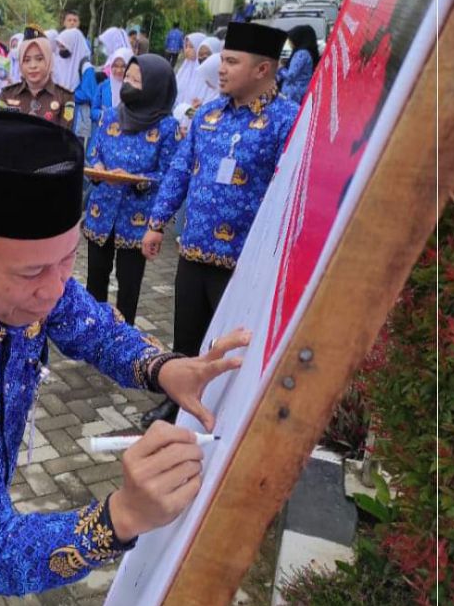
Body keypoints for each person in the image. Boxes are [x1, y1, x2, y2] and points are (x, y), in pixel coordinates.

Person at [0, 110, 250, 605]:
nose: (55, 288)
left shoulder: (31, 280)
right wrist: (122, 516)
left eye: (69, 258)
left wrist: (164, 368)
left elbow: (93, 329)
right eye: (32, 272)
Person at [140, 22, 298, 424]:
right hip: (194, 250)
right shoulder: (209, 115)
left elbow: (292, 192)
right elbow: (180, 171)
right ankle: (177, 401)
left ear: (262, 69)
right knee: (186, 335)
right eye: (222, 60)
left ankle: (225, 412)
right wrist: (157, 222)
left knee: (234, 343)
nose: (220, 69)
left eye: (231, 62)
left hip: (245, 263)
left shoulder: (287, 121)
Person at [84, 55, 182, 325]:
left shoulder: (167, 127)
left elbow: (170, 175)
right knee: (95, 280)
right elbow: (94, 152)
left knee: (128, 285)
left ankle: (123, 338)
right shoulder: (110, 116)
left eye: (137, 80)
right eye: (127, 77)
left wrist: (136, 179)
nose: (128, 84)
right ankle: (92, 333)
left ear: (155, 87)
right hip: (102, 211)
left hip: (137, 218)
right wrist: (98, 166)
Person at [0, 26, 75, 130]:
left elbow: (65, 136)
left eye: (39, 59)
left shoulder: (65, 97)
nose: (33, 66)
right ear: (20, 63)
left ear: (49, 61)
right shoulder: (7, 94)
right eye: (26, 60)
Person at [53, 28, 97, 143]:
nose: (60, 49)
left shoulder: (86, 67)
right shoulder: (59, 62)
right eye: (59, 46)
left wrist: (67, 95)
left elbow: (89, 94)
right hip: (60, 112)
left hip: (77, 115)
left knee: (74, 146)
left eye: (63, 46)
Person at [278, 25, 319, 104]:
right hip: (297, 92)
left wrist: (280, 68)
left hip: (294, 94)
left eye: (291, 40)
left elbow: (291, 75)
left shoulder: (301, 54)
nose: (289, 43)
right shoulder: (304, 52)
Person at [90, 47, 132, 123]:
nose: (119, 70)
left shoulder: (134, 88)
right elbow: (93, 111)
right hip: (107, 128)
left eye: (123, 66)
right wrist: (104, 114)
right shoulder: (103, 86)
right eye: (115, 66)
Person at [174, 32, 207, 108]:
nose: (187, 50)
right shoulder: (185, 67)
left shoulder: (204, 74)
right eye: (186, 46)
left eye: (191, 47)